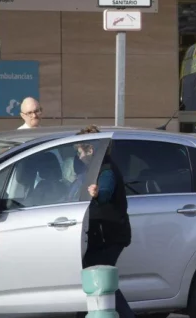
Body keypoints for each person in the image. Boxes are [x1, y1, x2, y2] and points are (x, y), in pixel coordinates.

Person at [77, 125, 135, 318]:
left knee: (102, 282)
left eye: (80, 151)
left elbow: (105, 193)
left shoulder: (106, 169)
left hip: (109, 237)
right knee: (98, 280)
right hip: (104, 236)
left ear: (91, 150)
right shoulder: (97, 168)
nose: (79, 157)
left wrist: (96, 193)